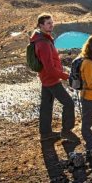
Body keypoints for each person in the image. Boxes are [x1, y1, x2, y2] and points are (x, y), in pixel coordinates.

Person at [31, 13, 77, 142]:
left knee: (46, 106)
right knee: (68, 104)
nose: (52, 25)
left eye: (52, 22)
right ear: (41, 25)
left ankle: (45, 133)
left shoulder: (42, 38)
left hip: (46, 78)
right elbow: (50, 68)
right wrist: (67, 77)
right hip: (51, 79)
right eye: (48, 23)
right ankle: (66, 131)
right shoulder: (44, 43)